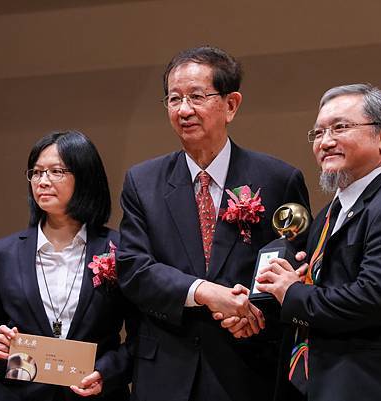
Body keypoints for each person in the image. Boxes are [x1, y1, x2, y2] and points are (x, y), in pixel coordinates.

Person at [116, 46, 311, 401]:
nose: (184, 109)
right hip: (166, 373)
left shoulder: (278, 179)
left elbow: (295, 267)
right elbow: (134, 269)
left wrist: (250, 313)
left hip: (249, 368)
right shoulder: (142, 182)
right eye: (174, 99)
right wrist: (206, 292)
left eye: (196, 96)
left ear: (231, 105)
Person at [256, 83, 381, 401]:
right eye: (318, 133)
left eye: (340, 128)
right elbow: (319, 294)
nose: (325, 142)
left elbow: (372, 298)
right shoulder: (328, 214)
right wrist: (264, 300)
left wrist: (294, 292)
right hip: (315, 386)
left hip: (375, 387)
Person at [0, 130, 137, 401]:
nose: (43, 181)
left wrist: (106, 373)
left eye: (56, 171)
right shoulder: (4, 252)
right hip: (21, 393)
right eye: (36, 173)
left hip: (93, 394)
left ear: (84, 177)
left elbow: (141, 336)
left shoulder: (118, 250)